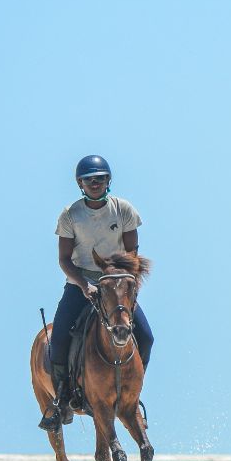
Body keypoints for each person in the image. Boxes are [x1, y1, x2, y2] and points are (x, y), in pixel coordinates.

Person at [37, 155, 155, 431]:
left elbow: (132, 252)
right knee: (59, 340)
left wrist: (114, 279)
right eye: (90, 179)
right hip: (81, 283)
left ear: (108, 181)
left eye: (100, 179)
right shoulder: (71, 215)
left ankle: (132, 396)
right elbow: (64, 259)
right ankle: (62, 400)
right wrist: (84, 284)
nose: (95, 183)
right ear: (80, 183)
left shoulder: (124, 210)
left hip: (114, 284)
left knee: (147, 337)